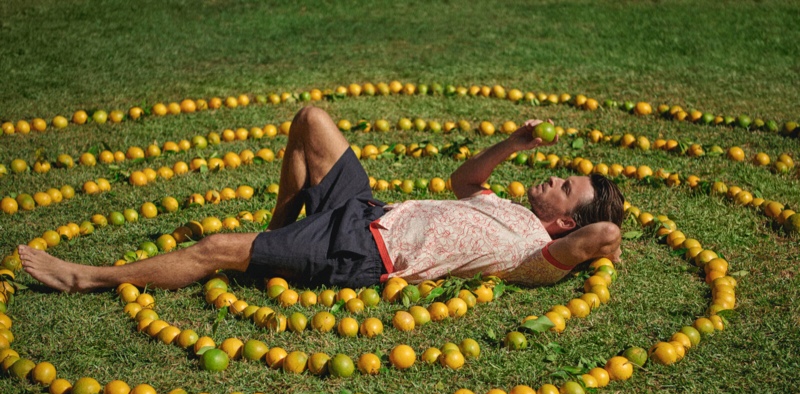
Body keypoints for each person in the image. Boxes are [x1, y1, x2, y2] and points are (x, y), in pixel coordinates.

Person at [18, 106, 624, 293]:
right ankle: (277, 233)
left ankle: (86, 278)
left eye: (563, 187)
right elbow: (464, 180)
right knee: (313, 121)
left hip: (364, 251)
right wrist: (513, 143)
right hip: (368, 213)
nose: (551, 179)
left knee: (216, 248)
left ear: (566, 218)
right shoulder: (509, 210)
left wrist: (606, 251)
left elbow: (605, 237)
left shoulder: (532, 254)